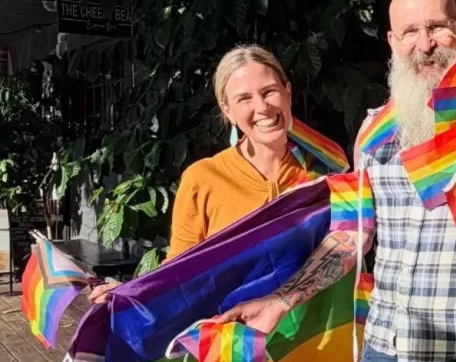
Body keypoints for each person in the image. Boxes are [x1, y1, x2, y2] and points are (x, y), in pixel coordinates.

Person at [215, 0, 456, 362]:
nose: (425, 44)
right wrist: (282, 299)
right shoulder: (373, 132)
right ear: (392, 41)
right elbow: (351, 235)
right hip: (386, 354)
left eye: (435, 27)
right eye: (410, 32)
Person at [88, 44, 349, 304]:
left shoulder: (327, 170)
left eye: (269, 91)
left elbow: (349, 250)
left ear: (288, 93)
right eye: (244, 98)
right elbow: (179, 272)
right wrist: (129, 294)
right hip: (233, 336)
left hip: (315, 338)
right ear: (227, 111)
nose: (262, 107)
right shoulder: (203, 179)